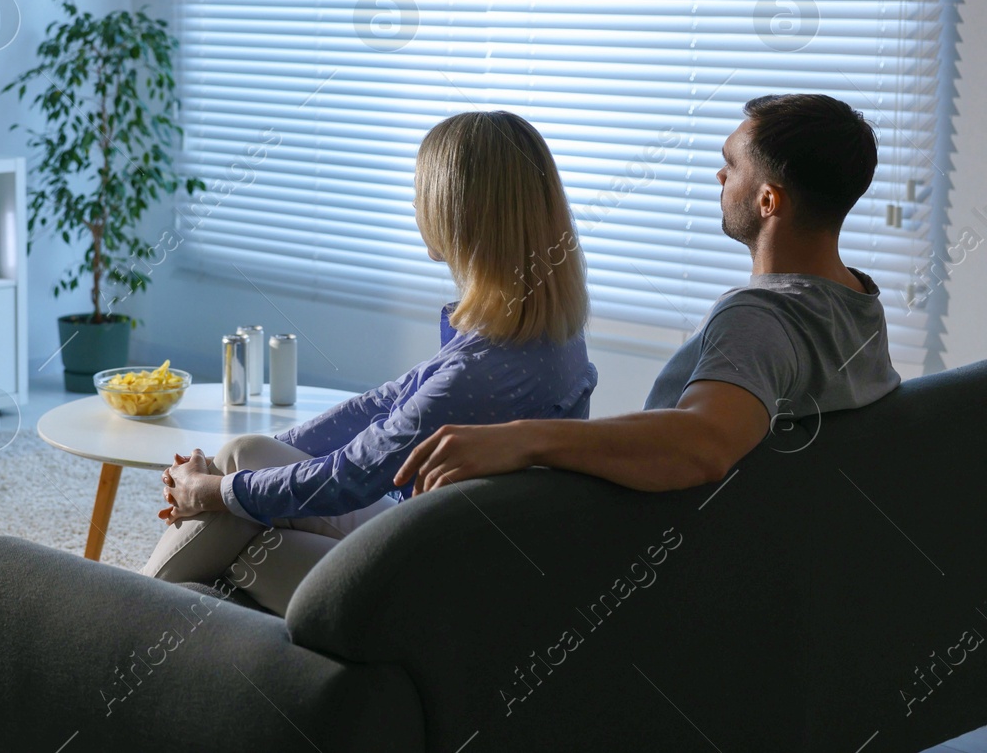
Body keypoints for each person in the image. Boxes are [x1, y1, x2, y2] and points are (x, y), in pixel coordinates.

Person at [143, 111, 599, 615]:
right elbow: (382, 405)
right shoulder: (546, 335)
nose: (412, 202)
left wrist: (213, 490)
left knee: (238, 511)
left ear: (458, 213)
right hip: (445, 548)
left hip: (437, 587)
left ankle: (121, 621)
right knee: (249, 489)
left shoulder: (475, 377)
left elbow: (351, 476)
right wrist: (268, 454)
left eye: (420, 190)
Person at [394, 93, 901, 497]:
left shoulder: (757, 319)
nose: (719, 176)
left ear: (768, 200)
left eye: (731, 165)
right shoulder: (859, 304)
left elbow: (701, 445)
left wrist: (525, 439)